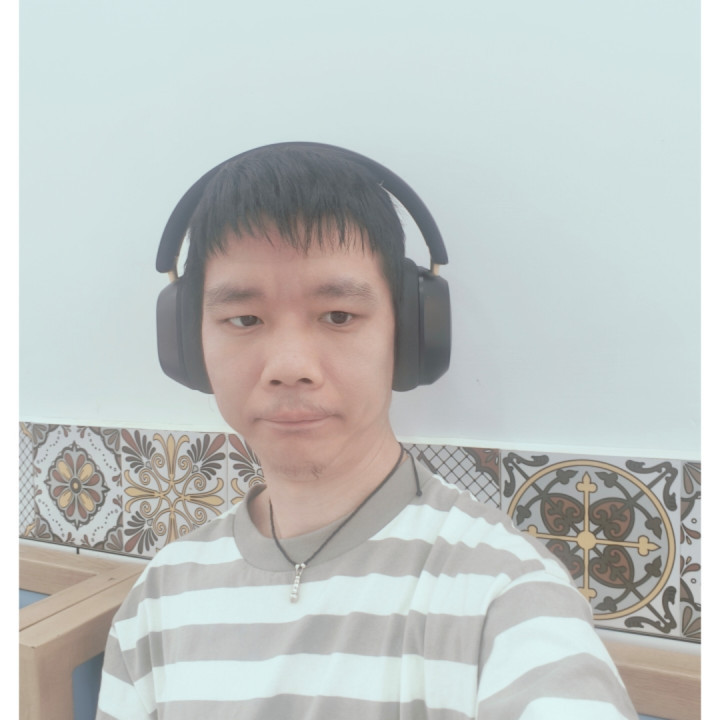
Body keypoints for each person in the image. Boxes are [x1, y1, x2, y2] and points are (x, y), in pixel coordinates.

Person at [96, 143, 638, 719]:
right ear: (188, 343)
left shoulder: (506, 595)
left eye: (339, 316)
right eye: (244, 319)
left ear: (409, 334)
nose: (290, 366)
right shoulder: (157, 599)